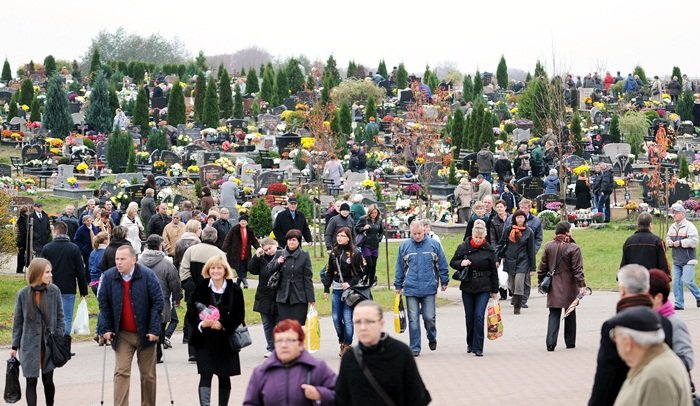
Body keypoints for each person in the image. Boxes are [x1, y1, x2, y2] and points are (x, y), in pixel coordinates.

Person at [588, 264, 675, 405]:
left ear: (622, 291)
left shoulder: (614, 326)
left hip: (626, 397)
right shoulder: (665, 323)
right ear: (647, 289)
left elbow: (606, 376)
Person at [97, 245, 164, 406]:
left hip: (146, 332)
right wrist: (106, 329)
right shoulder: (109, 277)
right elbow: (103, 304)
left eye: (123, 259)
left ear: (133, 260)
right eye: (117, 259)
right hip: (122, 334)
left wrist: (155, 329)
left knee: (148, 375)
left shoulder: (147, 276)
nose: (118, 263)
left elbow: (157, 302)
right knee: (121, 372)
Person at [336, 300, 431, 405]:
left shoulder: (400, 353)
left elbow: (417, 397)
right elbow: (341, 399)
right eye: (358, 322)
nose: (363, 327)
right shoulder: (350, 358)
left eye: (369, 321)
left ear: (381, 323)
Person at [184, 254, 243, 406]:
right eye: (212, 268)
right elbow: (190, 313)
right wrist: (202, 324)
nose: (215, 271)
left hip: (225, 340)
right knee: (205, 373)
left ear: (225, 270)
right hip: (204, 340)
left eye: (219, 268)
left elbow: (239, 314)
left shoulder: (234, 289)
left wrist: (222, 324)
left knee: (224, 375)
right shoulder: (201, 287)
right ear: (208, 270)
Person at [608, 307, 691, 406]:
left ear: (628, 342)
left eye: (615, 336)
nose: (615, 341)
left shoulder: (656, 377)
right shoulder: (651, 362)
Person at [243, 319, 337, 405]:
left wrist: (320, 394)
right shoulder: (261, 372)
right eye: (279, 341)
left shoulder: (318, 369)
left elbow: (342, 397)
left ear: (300, 344)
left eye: (289, 340)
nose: (284, 345)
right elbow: (250, 403)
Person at [10, 258, 64, 406]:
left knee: (48, 379)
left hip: (48, 344)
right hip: (29, 345)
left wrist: (58, 337)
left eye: (50, 272)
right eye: (47, 272)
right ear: (37, 273)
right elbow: (18, 322)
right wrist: (14, 347)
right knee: (31, 381)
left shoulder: (54, 291)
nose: (50, 275)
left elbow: (60, 317)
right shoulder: (23, 294)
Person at [394, 220, 449, 357]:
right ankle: (415, 347)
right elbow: (399, 267)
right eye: (414, 234)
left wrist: (444, 280)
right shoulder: (405, 246)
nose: (417, 236)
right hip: (411, 288)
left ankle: (432, 336)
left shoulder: (434, 245)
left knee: (429, 317)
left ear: (424, 230)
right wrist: (398, 285)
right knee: (413, 319)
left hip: (429, 287)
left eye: (419, 233)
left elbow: (442, 263)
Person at [450, 220, 499, 356]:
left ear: (484, 237)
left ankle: (478, 347)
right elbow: (452, 262)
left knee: (479, 316)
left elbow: (494, 272)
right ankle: (470, 343)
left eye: (481, 238)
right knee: (470, 317)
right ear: (472, 235)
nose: (478, 240)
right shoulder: (463, 247)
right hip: (468, 286)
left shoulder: (489, 250)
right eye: (476, 237)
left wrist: (495, 290)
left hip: (484, 287)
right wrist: (462, 263)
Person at [538, 221, 587, 351]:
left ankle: (550, 342)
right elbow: (577, 269)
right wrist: (582, 285)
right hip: (569, 284)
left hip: (553, 284)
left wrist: (541, 283)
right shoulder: (574, 248)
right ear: (566, 232)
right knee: (570, 312)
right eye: (570, 230)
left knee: (553, 313)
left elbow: (542, 267)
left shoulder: (549, 246)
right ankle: (570, 342)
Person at [180, 226, 225, 362]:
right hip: (212, 292)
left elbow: (184, 271)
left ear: (202, 236)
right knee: (212, 320)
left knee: (193, 320)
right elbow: (224, 275)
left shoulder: (191, 251)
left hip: (193, 291)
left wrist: (191, 288)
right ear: (216, 237)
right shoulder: (219, 254)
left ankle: (193, 352)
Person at [322, 227, 367, 357]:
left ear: (348, 238)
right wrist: (326, 288)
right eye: (338, 235)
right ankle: (341, 340)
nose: (339, 238)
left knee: (347, 318)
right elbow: (328, 271)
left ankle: (347, 345)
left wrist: (350, 283)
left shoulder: (356, 253)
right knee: (336, 318)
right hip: (336, 289)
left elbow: (361, 272)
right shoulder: (333, 253)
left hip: (350, 291)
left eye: (343, 235)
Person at [138, 235, 182, 364]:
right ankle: (157, 352)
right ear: (159, 246)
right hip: (162, 299)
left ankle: (147, 352)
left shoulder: (138, 263)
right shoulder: (167, 264)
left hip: (142, 299)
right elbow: (175, 283)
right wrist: (178, 297)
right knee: (161, 326)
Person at [41, 221, 88, 335]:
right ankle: (63, 345)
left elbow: (40, 269)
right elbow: (80, 271)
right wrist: (83, 290)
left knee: (51, 317)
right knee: (66, 317)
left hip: (50, 287)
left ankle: (53, 344)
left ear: (55, 231)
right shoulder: (74, 249)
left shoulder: (47, 248)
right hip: (69, 287)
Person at [648, 269, 694, 372]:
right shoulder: (641, 319)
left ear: (658, 297)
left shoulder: (674, 323)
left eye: (645, 296)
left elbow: (687, 360)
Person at [267, 229, 315, 325]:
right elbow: (268, 269)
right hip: (283, 296)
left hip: (299, 297)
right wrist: (277, 262)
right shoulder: (280, 253)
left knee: (296, 327)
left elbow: (307, 278)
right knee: (285, 326)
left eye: (293, 240)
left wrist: (311, 298)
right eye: (289, 240)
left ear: (299, 241)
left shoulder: (304, 256)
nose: (291, 242)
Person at [497, 210, 536, 314]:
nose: (520, 219)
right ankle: (515, 298)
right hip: (510, 259)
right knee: (512, 284)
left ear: (525, 219)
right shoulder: (509, 229)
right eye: (518, 217)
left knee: (519, 283)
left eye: (522, 217)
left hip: (523, 261)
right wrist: (498, 258)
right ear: (514, 219)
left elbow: (531, 250)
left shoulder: (529, 232)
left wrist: (532, 267)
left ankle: (517, 307)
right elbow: (501, 244)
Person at [248, 237, 281, 358]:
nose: (269, 251)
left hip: (279, 295)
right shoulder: (261, 259)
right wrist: (256, 256)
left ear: (275, 245)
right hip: (264, 295)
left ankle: (279, 348)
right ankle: (271, 348)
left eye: (270, 248)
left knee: (279, 324)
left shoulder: (282, 255)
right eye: (266, 250)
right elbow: (252, 269)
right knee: (267, 324)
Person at [665, 202, 700, 310]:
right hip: (677, 259)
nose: (674, 215)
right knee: (676, 282)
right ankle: (679, 304)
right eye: (673, 213)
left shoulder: (690, 226)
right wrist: (669, 242)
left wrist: (680, 243)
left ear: (683, 214)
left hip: (689, 259)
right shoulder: (672, 227)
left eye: (676, 213)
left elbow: (695, 241)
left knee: (687, 280)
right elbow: (667, 238)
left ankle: (699, 296)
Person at [511, 199, 543, 308]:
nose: (523, 210)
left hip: (527, 254)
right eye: (521, 208)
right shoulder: (513, 219)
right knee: (513, 279)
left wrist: (533, 251)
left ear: (530, 208)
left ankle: (523, 299)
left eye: (526, 208)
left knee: (525, 279)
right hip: (514, 255)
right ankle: (515, 296)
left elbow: (538, 238)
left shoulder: (536, 221)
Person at [222, 214, 260, 289]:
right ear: (239, 222)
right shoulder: (234, 229)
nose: (243, 223)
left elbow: (254, 241)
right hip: (235, 253)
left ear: (247, 223)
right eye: (242, 221)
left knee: (244, 267)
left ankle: (237, 284)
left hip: (245, 253)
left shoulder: (249, 231)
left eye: (245, 221)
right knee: (238, 268)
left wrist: (258, 248)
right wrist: (223, 250)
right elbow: (227, 240)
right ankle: (245, 282)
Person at [355, 204, 384, 286]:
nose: (374, 215)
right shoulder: (363, 219)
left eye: (376, 213)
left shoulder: (379, 220)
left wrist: (379, 239)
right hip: (366, 244)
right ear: (369, 213)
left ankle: (370, 282)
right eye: (372, 213)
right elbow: (356, 229)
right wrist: (363, 228)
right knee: (369, 264)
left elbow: (381, 231)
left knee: (373, 265)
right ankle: (362, 277)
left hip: (375, 245)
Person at [88, 231, 109, 296]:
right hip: (100, 281)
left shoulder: (93, 252)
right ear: (105, 241)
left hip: (93, 281)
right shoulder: (105, 252)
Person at [16, 205, 30, 273]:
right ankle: (19, 269)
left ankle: (21, 268)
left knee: (23, 254)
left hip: (24, 239)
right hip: (21, 240)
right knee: (20, 255)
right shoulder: (21, 220)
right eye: (28, 211)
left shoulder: (26, 218)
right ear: (25, 212)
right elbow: (23, 231)